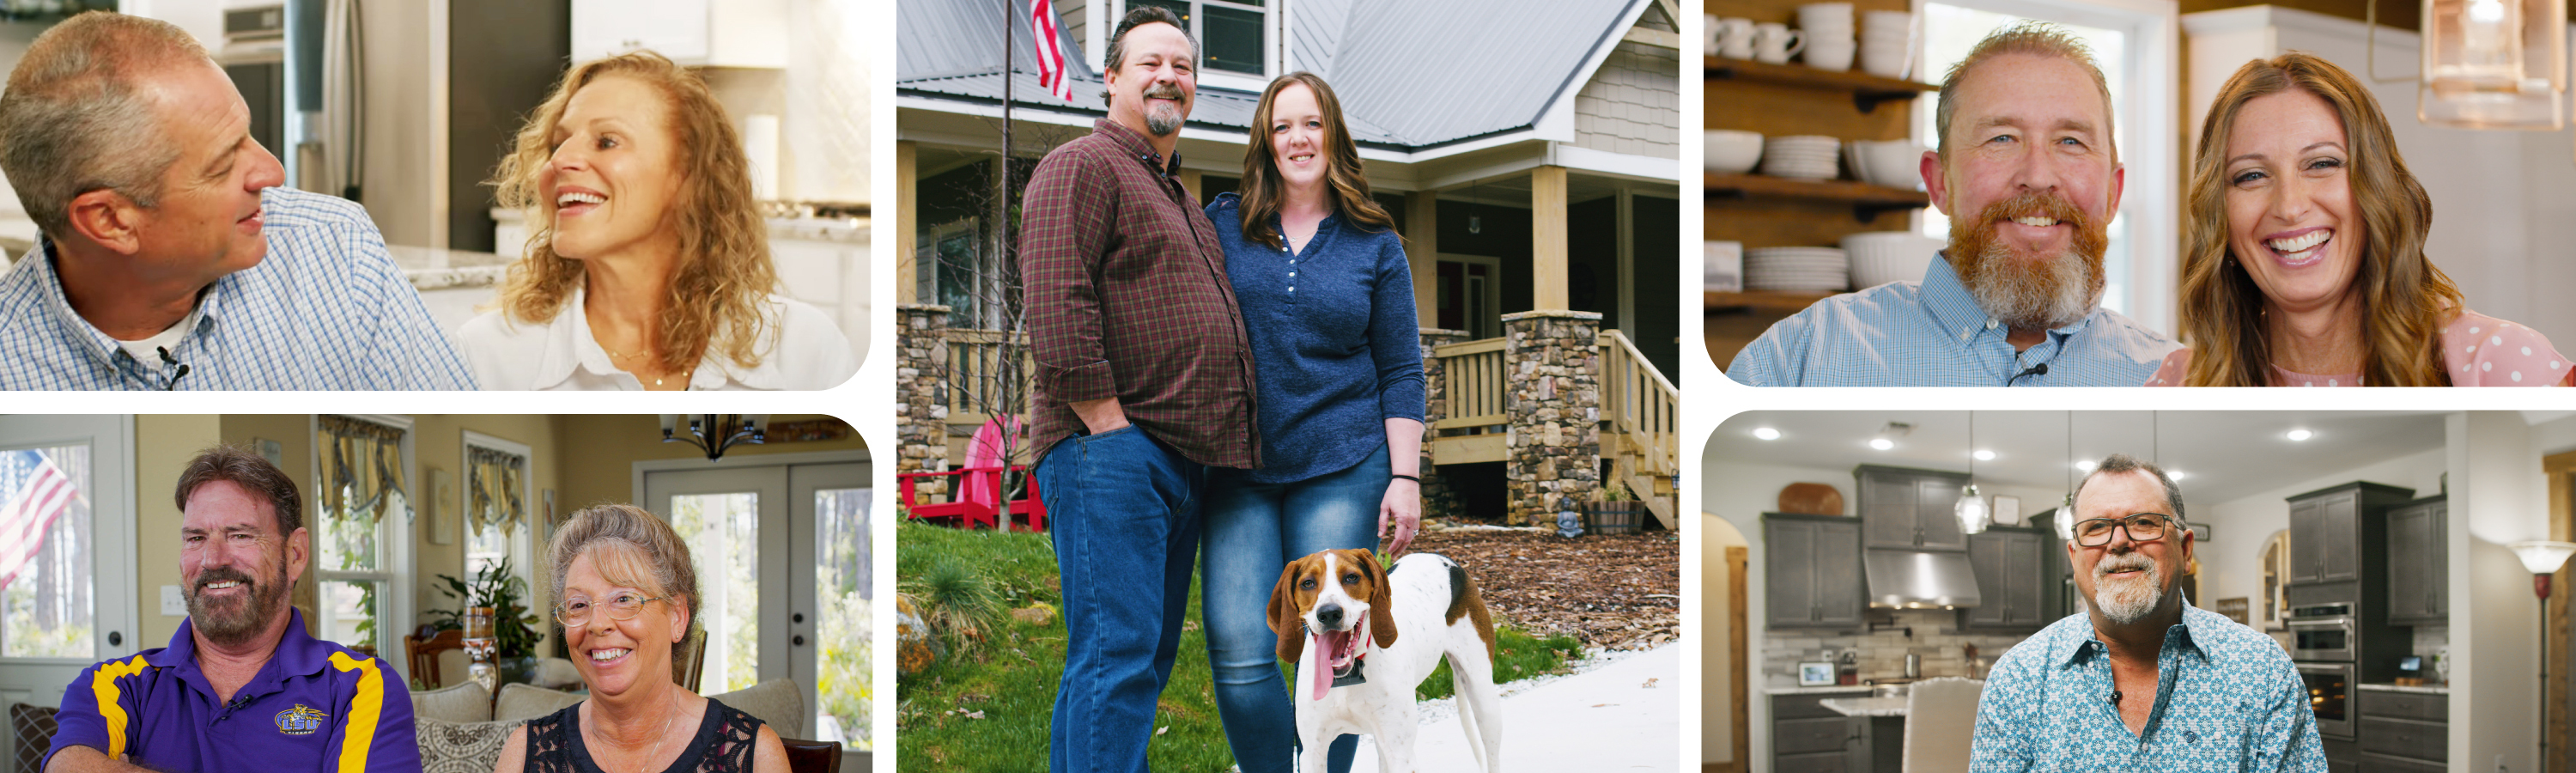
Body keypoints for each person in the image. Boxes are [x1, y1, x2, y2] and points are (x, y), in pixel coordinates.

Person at [1018, 7, 1260, 772]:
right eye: (1151, 62)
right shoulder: (1081, 166)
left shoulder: (1180, 197)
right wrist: (1108, 423)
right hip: (1110, 450)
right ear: (1113, 77)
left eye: (1183, 67)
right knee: (1116, 655)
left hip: (1178, 459)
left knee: (1135, 661)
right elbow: (1057, 300)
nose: (1170, 77)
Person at [0, 12, 475, 390]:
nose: (274, 172)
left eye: (249, 134)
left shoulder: (335, 247)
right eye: (224, 164)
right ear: (111, 221)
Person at [1728, 22, 2177, 386]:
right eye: (2002, 138)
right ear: (1939, 183)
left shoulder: (2178, 380)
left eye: (2071, 141)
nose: (2038, 175)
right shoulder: (1799, 358)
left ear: (2113, 192)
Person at [1200, 71, 1424, 773]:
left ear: (1334, 134)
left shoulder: (1375, 243)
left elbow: (1401, 368)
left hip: (1343, 459)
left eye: (1311, 123)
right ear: (1265, 144)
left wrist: (1406, 476)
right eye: (1282, 126)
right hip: (1240, 465)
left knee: (1338, 643)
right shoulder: (1222, 226)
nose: (1298, 138)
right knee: (1241, 646)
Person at [2148, 52, 2569, 386]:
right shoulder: (2180, 382)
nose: (2290, 206)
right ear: (2218, 211)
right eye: (2251, 175)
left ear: (2378, 187)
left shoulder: (2500, 363)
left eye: (2322, 164)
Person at [461, 51, 856, 391]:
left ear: (686, 178)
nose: (559, 161)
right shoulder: (488, 356)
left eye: (606, 141)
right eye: (556, 144)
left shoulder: (806, 350)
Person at [43, 444, 421, 773]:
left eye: (240, 535)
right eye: (195, 537)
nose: (212, 559)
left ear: (296, 553)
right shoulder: (114, 685)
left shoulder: (360, 686)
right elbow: (68, 765)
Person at [1971, 454, 2325, 772]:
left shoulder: (2261, 670)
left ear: (2186, 550)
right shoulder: (2018, 680)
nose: (2118, 542)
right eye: (2095, 527)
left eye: (2143, 522)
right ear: (2074, 558)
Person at [495, 504, 789, 773]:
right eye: (579, 605)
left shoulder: (754, 755)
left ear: (677, 617)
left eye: (624, 598)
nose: (597, 624)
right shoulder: (524, 754)